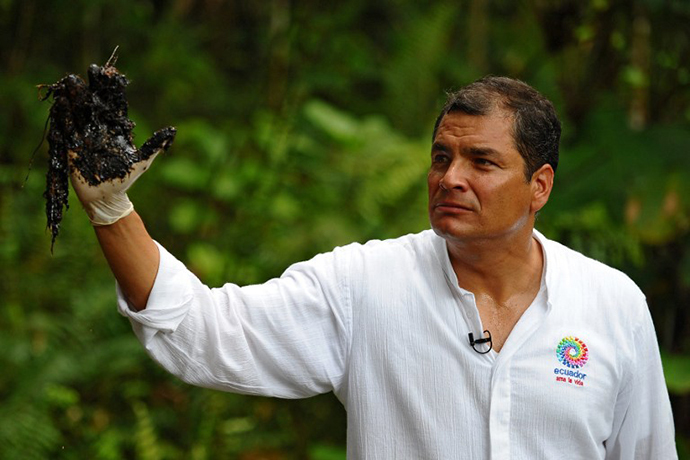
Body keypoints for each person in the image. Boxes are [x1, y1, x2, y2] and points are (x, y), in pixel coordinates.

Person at [69, 76, 677, 459]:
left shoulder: (612, 304)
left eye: (482, 162)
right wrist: (112, 210)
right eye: (442, 157)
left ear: (538, 185)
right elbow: (202, 332)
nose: (451, 178)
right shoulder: (365, 285)